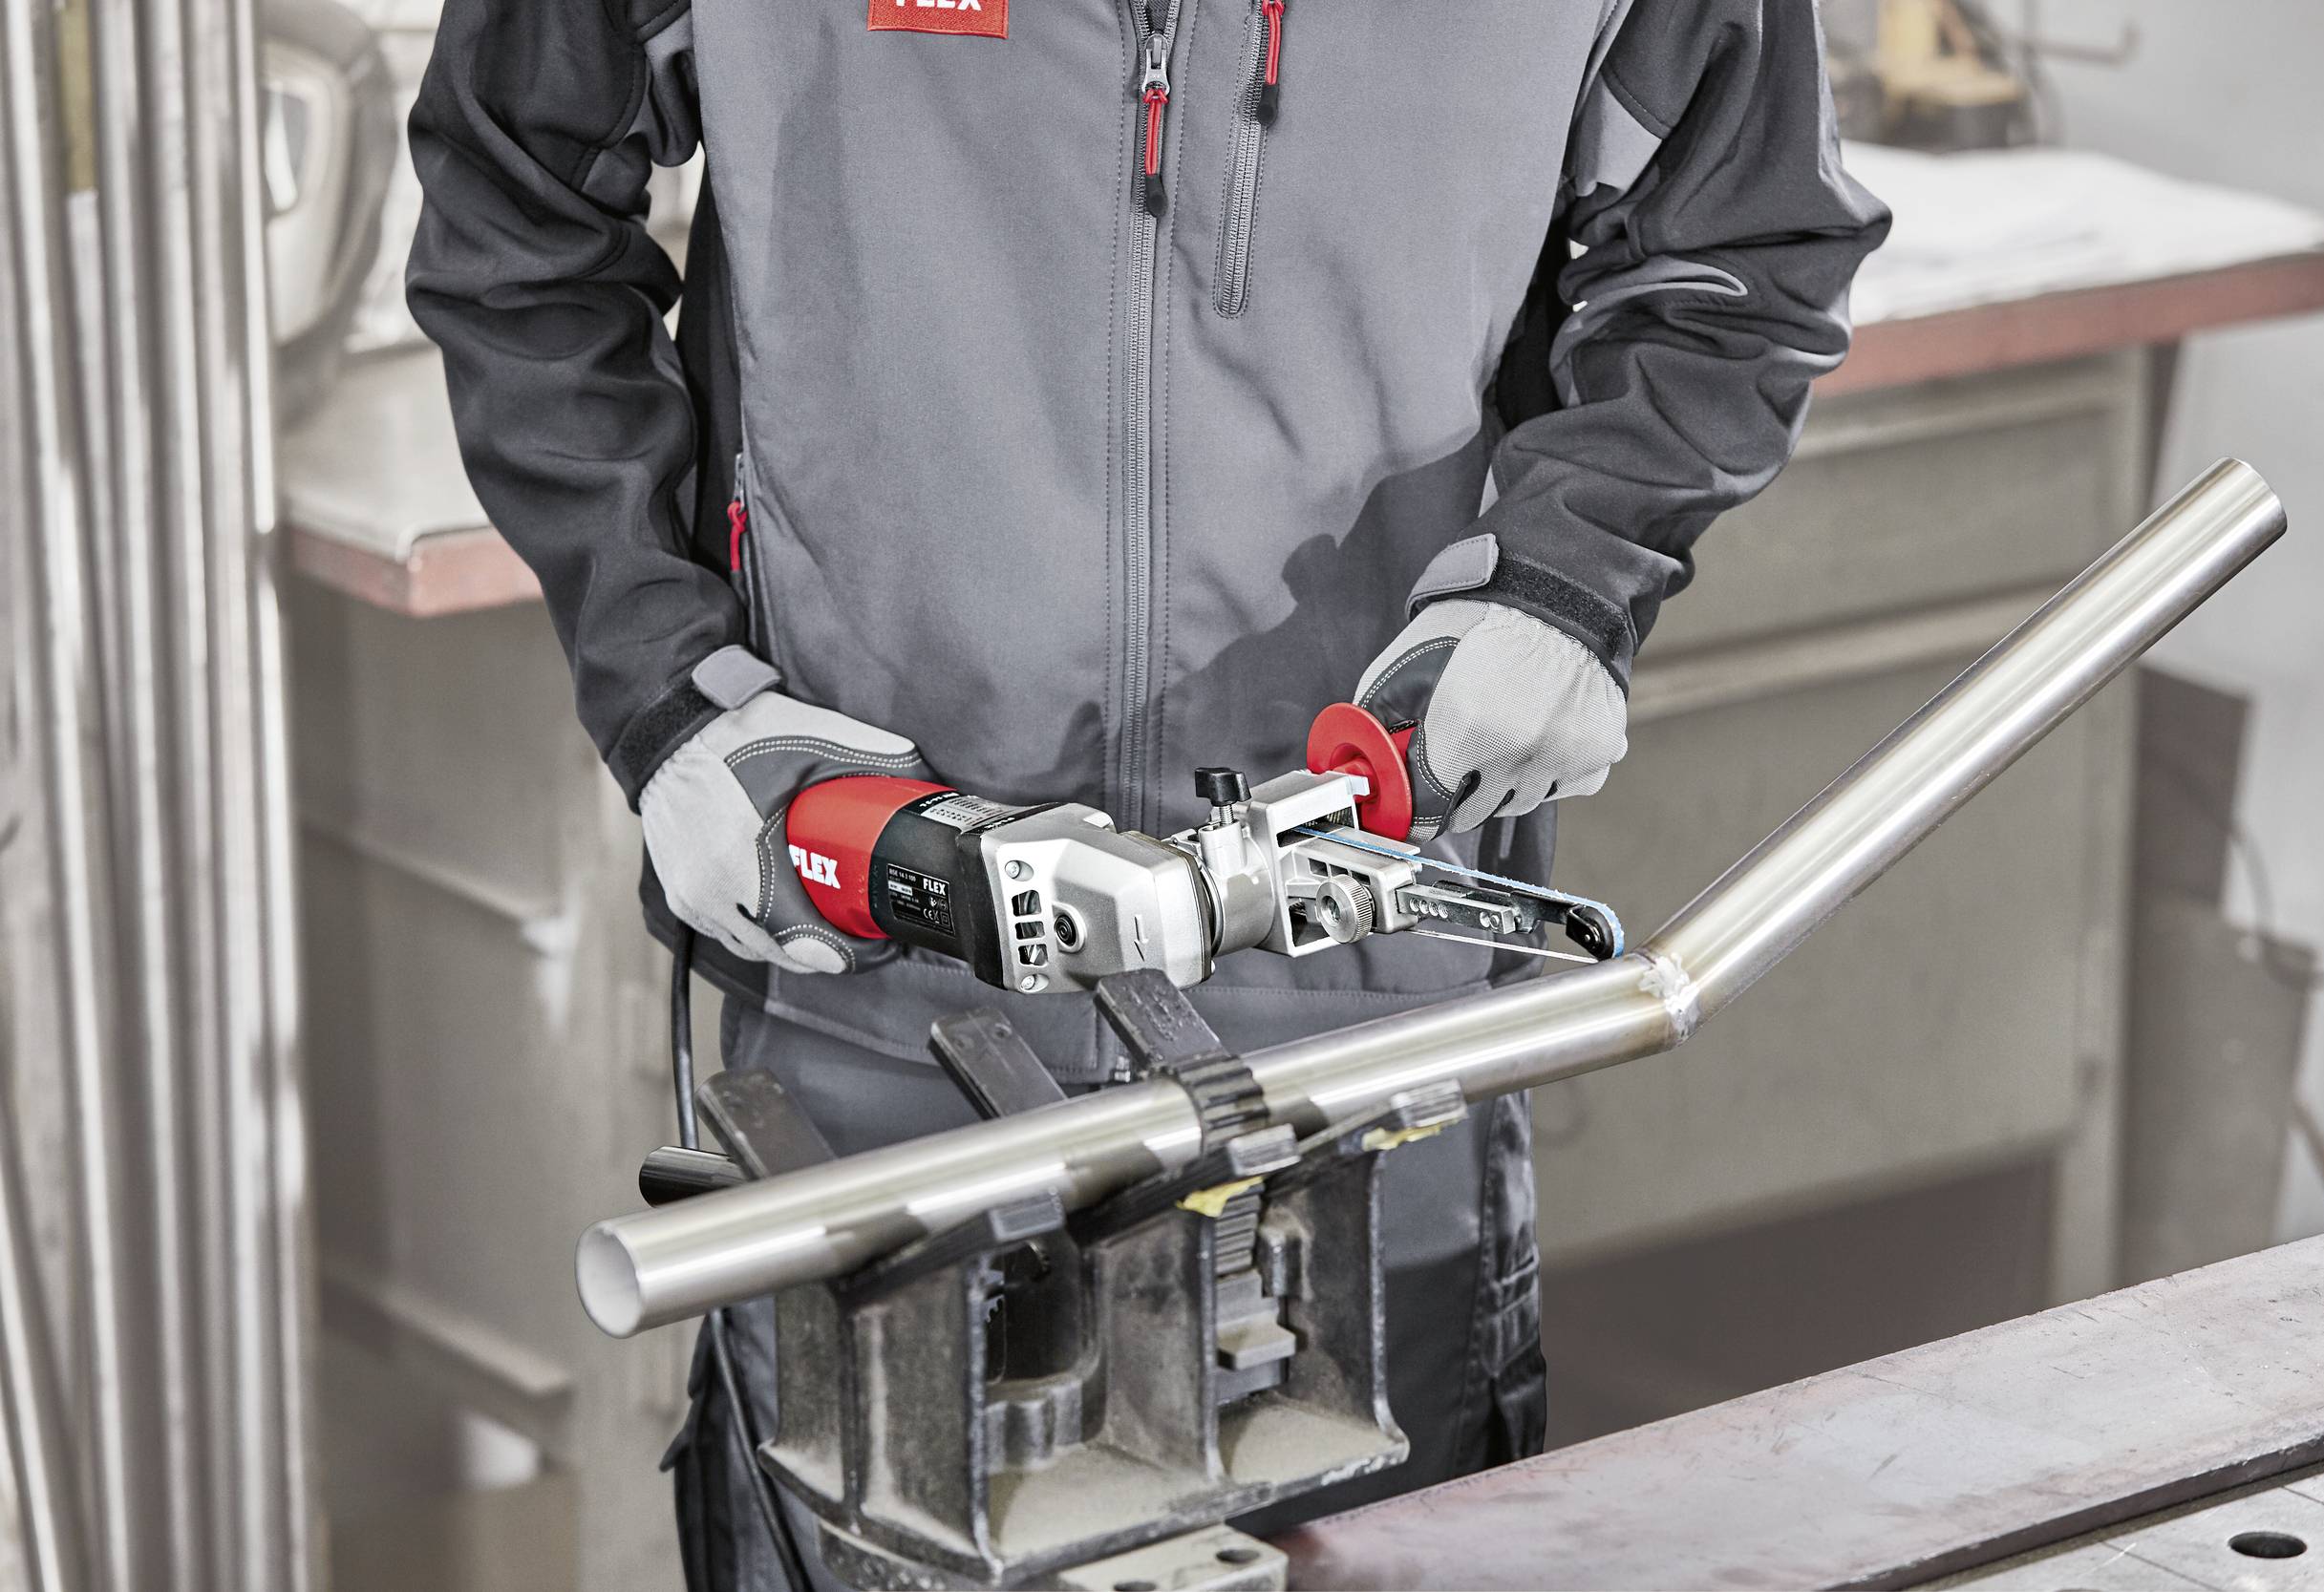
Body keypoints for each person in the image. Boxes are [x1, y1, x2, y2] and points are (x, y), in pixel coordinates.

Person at [408, 0, 1887, 1581]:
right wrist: (666, 690)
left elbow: (1742, 246)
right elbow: (515, 205)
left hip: (1374, 1045)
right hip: (875, 1010)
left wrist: (1571, 577)